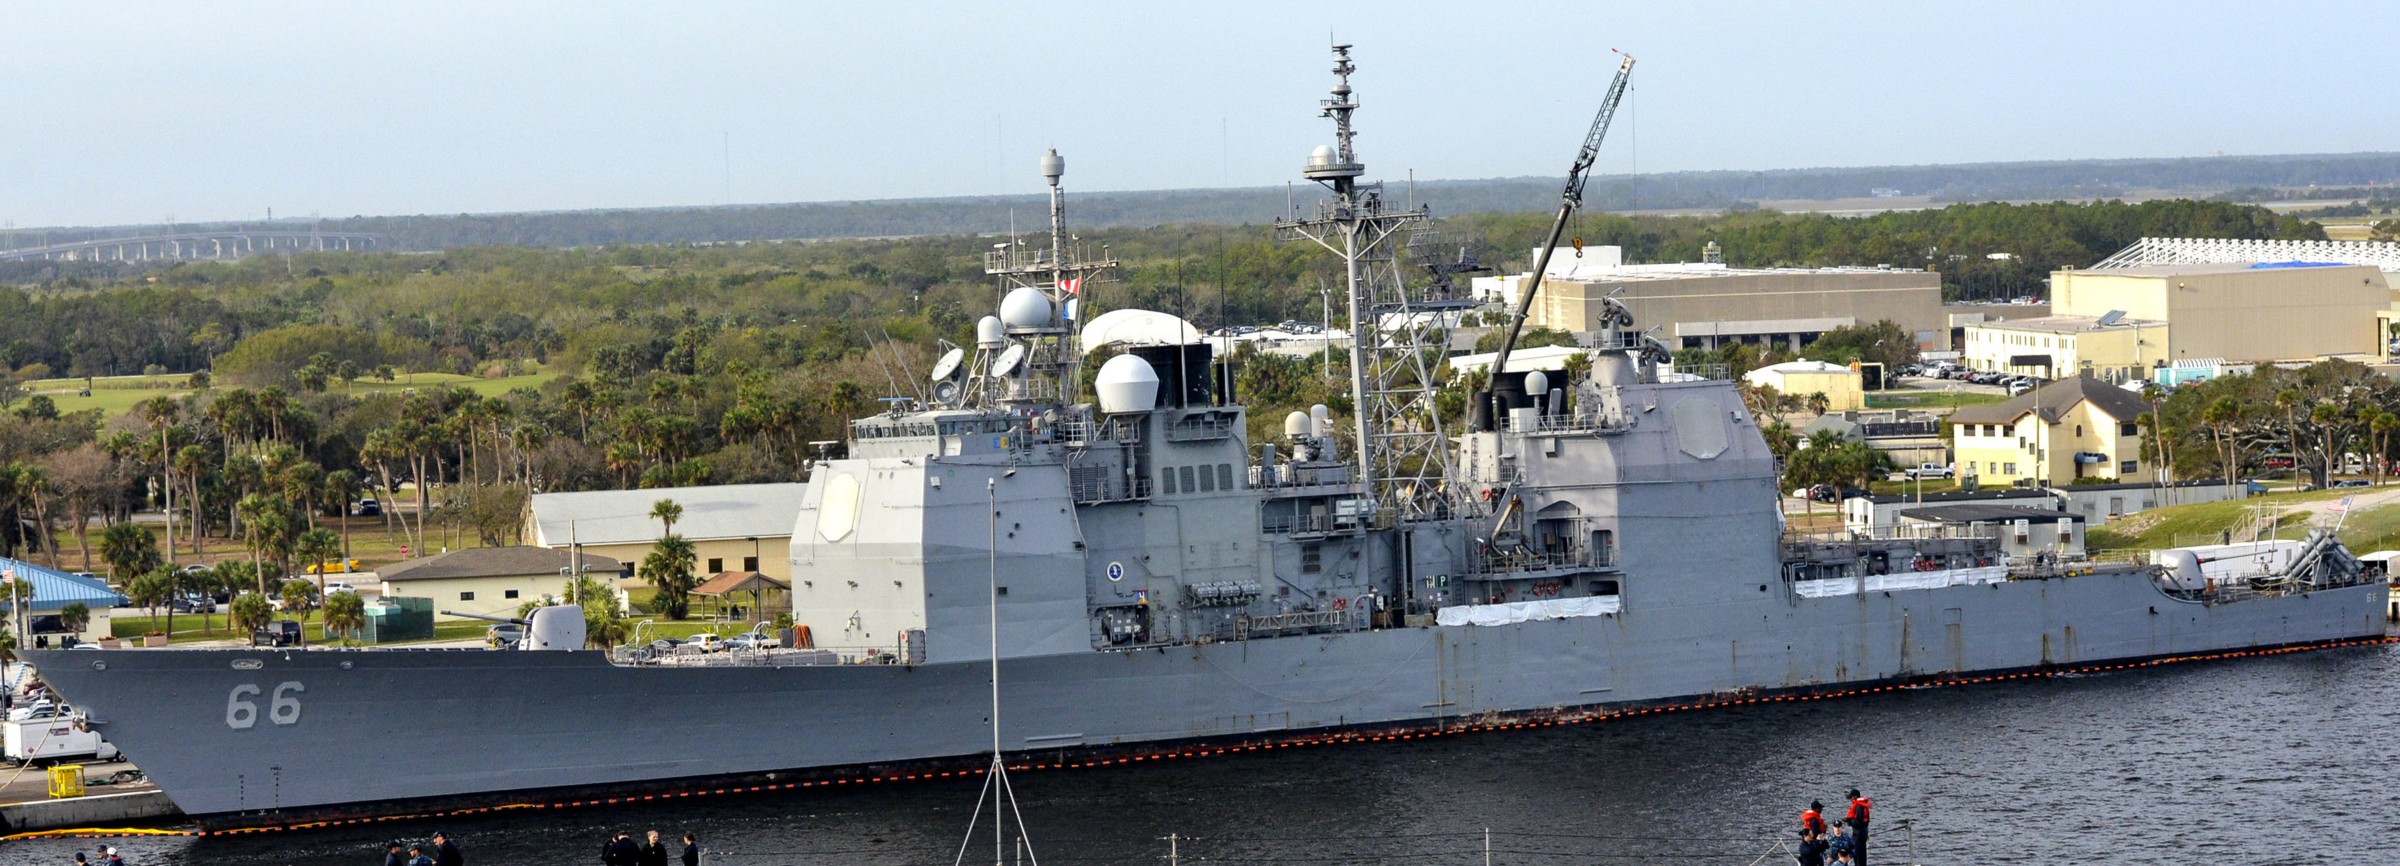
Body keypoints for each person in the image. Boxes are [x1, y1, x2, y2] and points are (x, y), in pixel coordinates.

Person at [1843, 788, 1871, 866]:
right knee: (1861, 853)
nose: (1850, 800)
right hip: (1863, 831)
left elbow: (1859, 821)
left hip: (1859, 833)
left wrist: (1848, 821)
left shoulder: (1859, 806)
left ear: (1855, 796)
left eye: (1851, 797)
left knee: (1858, 854)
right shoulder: (1862, 805)